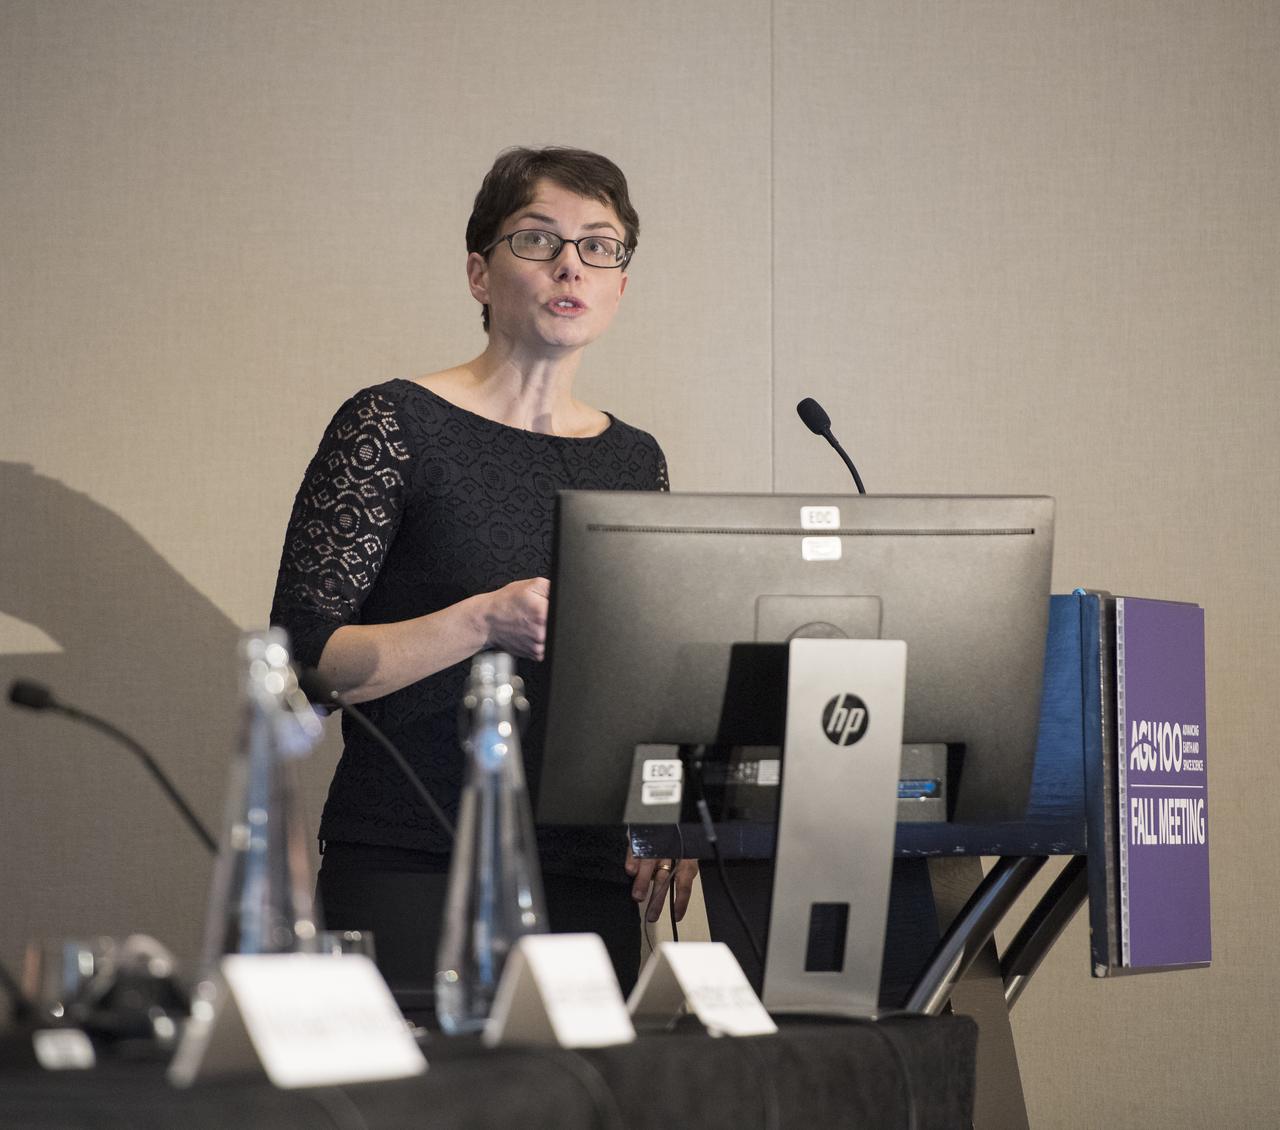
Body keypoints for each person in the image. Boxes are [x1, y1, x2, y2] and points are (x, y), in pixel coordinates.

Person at [269, 147, 697, 999]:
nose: (571, 263)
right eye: (538, 240)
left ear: (620, 284)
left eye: (599, 245)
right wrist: (480, 621)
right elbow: (304, 664)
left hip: (585, 865)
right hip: (414, 853)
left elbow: (644, 679)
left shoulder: (634, 459)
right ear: (479, 271)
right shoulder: (393, 424)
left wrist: (670, 807)